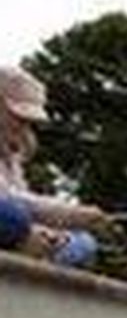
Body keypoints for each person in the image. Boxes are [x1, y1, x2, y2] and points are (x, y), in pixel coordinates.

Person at [0, 65, 111, 267]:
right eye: (20, 118)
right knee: (12, 216)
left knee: (85, 243)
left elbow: (21, 197)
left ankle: (34, 247)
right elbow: (11, 200)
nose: (23, 127)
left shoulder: (12, 152)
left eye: (29, 122)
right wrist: (70, 214)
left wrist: (51, 234)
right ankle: (30, 246)